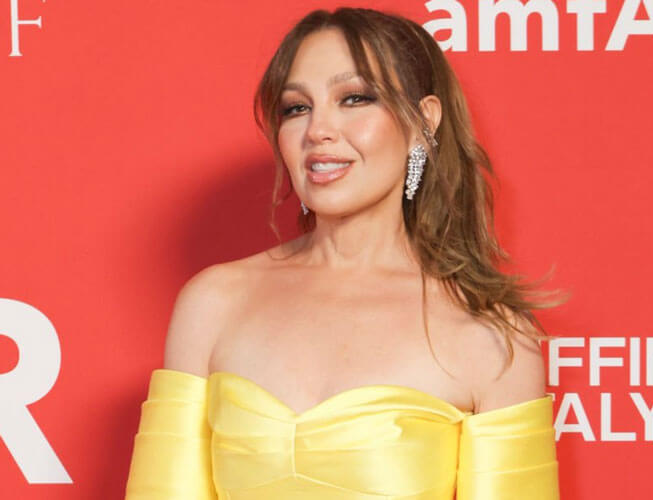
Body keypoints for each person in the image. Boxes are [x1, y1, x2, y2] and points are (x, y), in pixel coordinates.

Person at [124, 6, 567, 499]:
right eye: (297, 108)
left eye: (355, 98)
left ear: (422, 122)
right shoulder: (214, 302)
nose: (318, 130)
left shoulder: (490, 335)